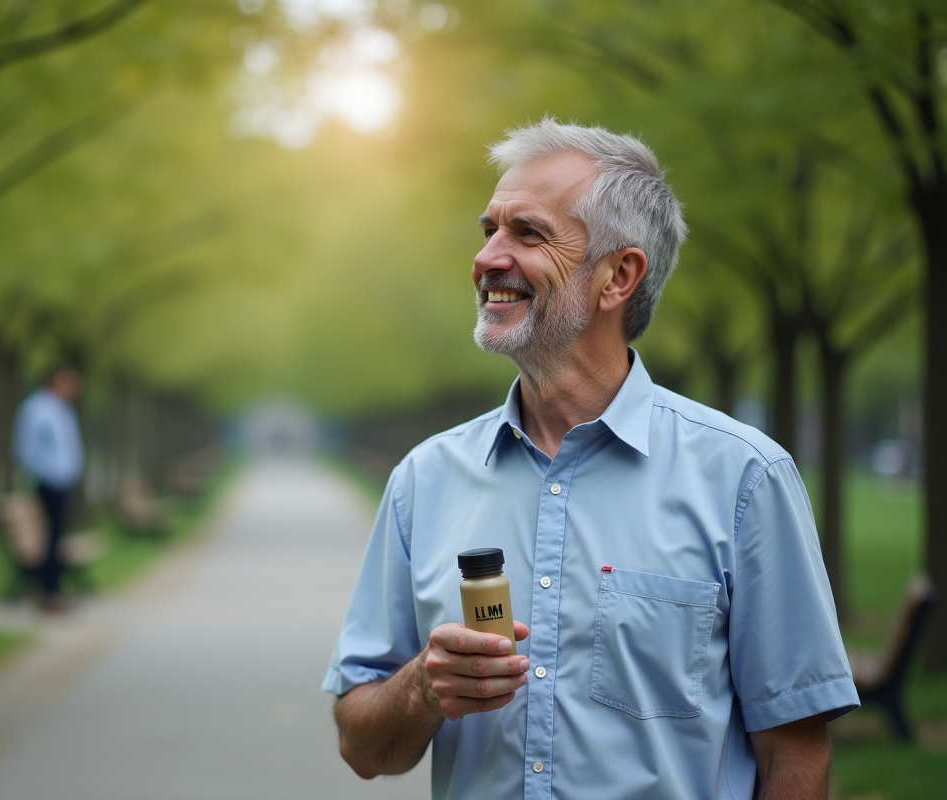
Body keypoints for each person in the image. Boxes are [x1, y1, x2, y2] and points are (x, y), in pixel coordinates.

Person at [322, 118, 859, 800]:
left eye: (528, 232)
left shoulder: (744, 480)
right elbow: (361, 747)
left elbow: (797, 759)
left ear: (618, 277)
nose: (488, 257)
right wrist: (422, 687)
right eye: (488, 229)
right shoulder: (424, 480)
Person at [12, 366, 85, 612]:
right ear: (54, 381)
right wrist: (50, 472)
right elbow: (27, 448)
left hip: (62, 481)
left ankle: (54, 590)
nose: (73, 389)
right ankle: (49, 593)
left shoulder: (61, 409)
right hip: (49, 482)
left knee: (57, 537)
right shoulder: (37, 409)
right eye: (69, 383)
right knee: (51, 538)